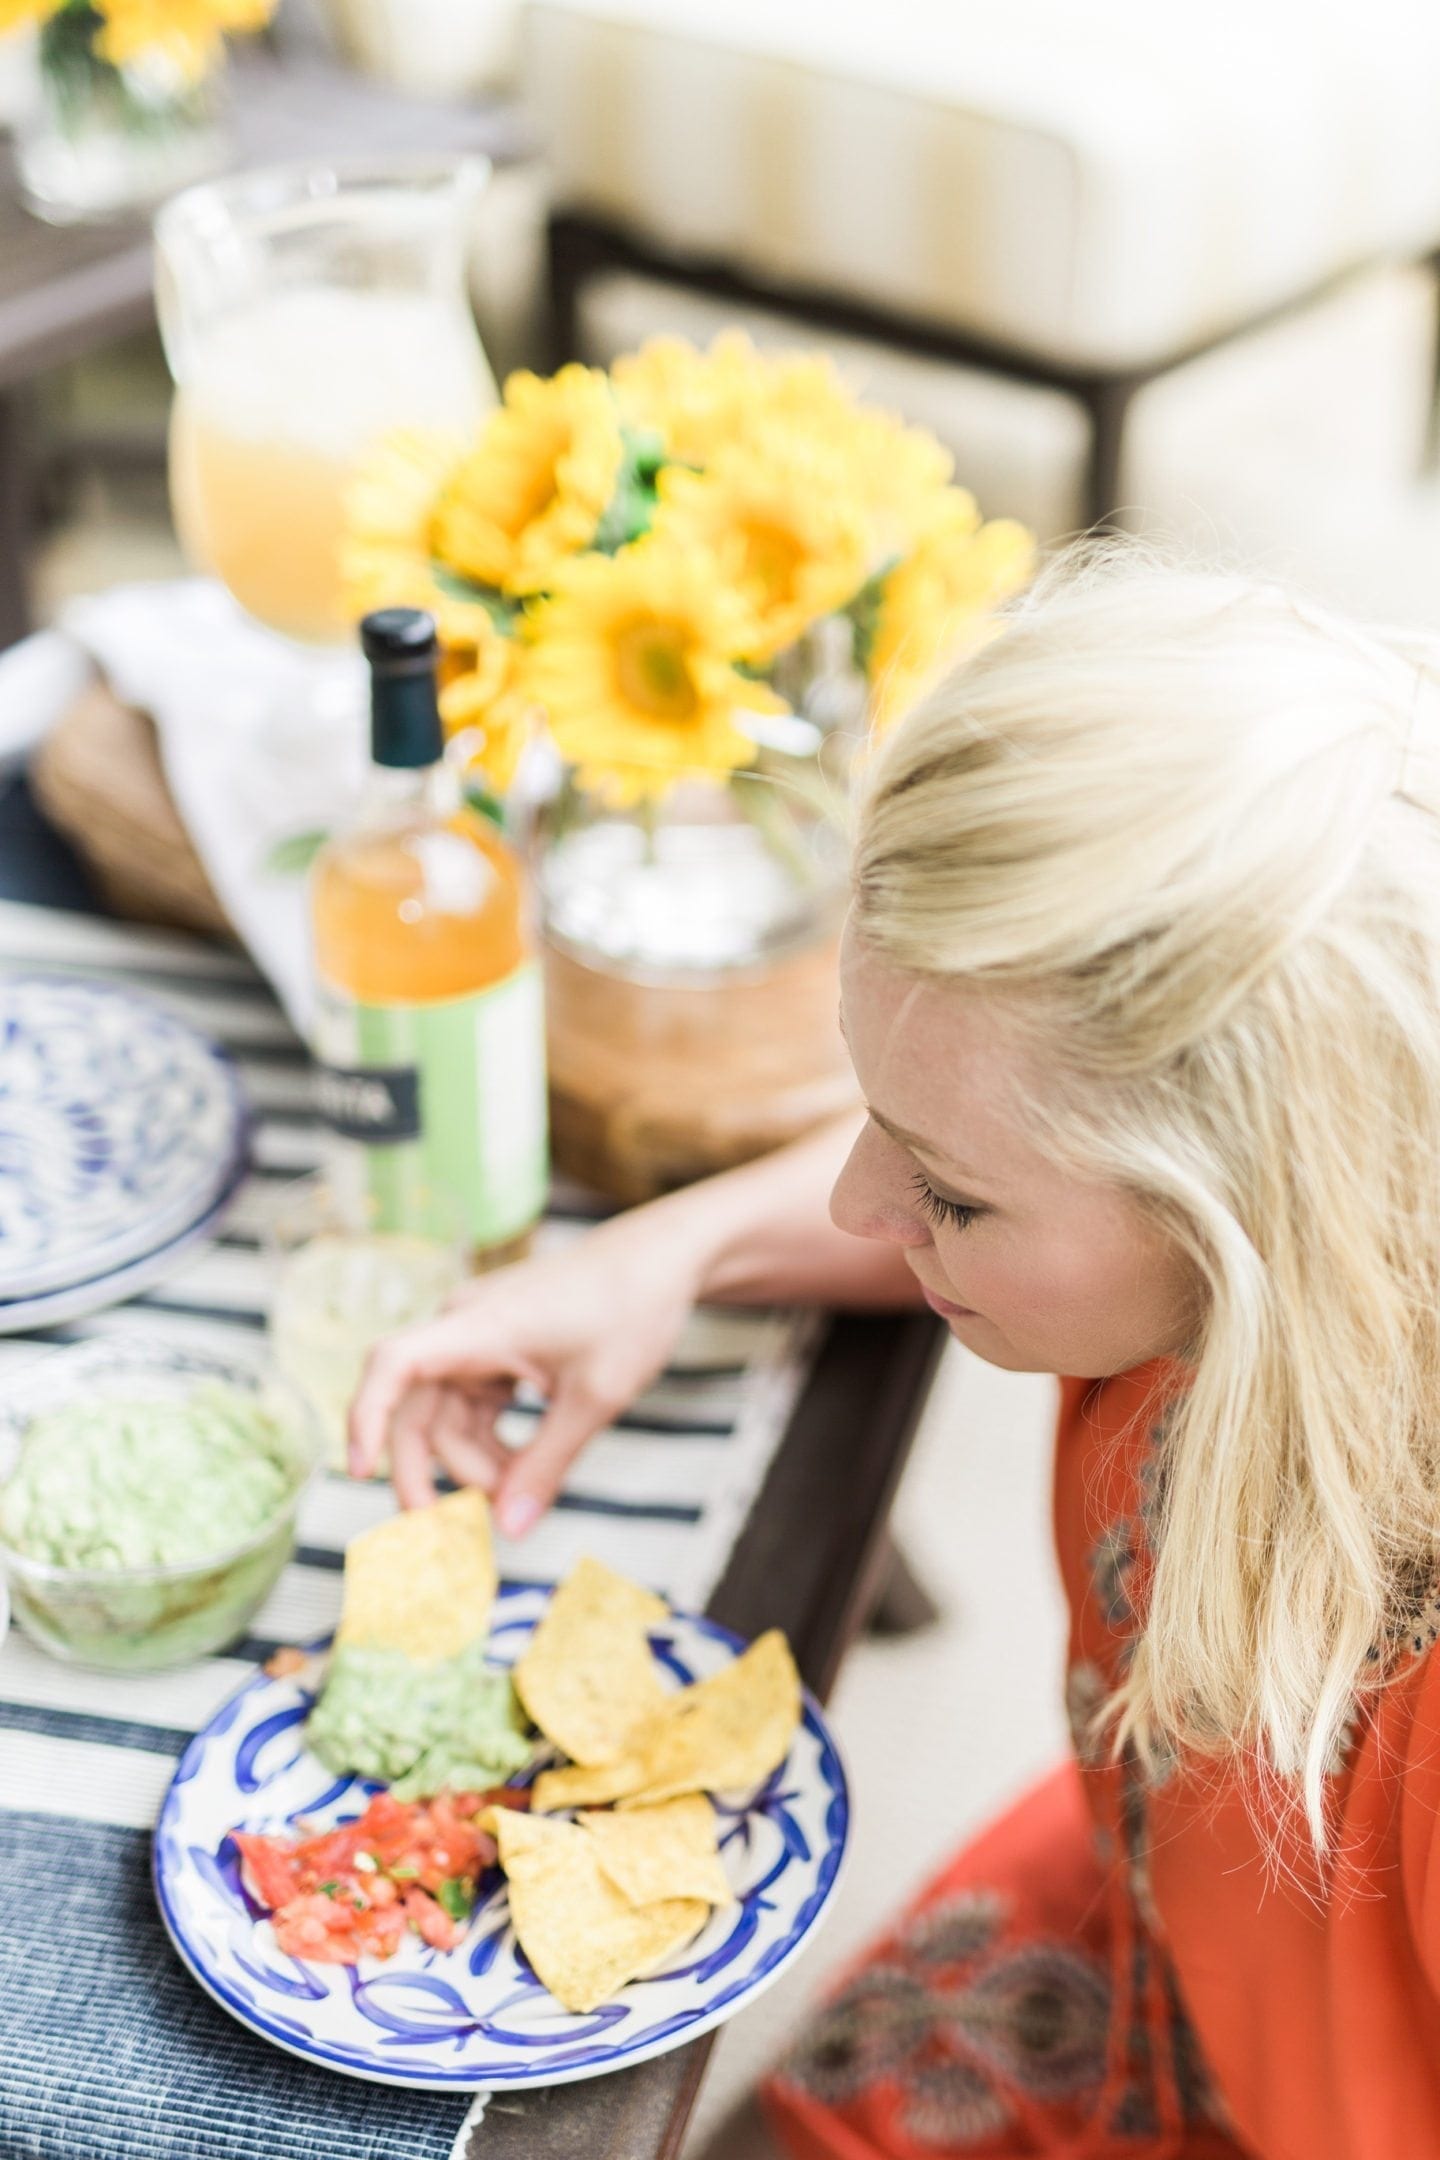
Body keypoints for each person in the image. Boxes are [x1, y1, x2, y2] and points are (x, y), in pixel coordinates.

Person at [349, 553, 1440, 2159]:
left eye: (949, 1197)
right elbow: (981, 1125)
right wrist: (669, 1254)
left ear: (1251, 1226)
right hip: (1147, 1929)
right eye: (880, 1117)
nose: (868, 1205)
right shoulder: (1272, 1246)